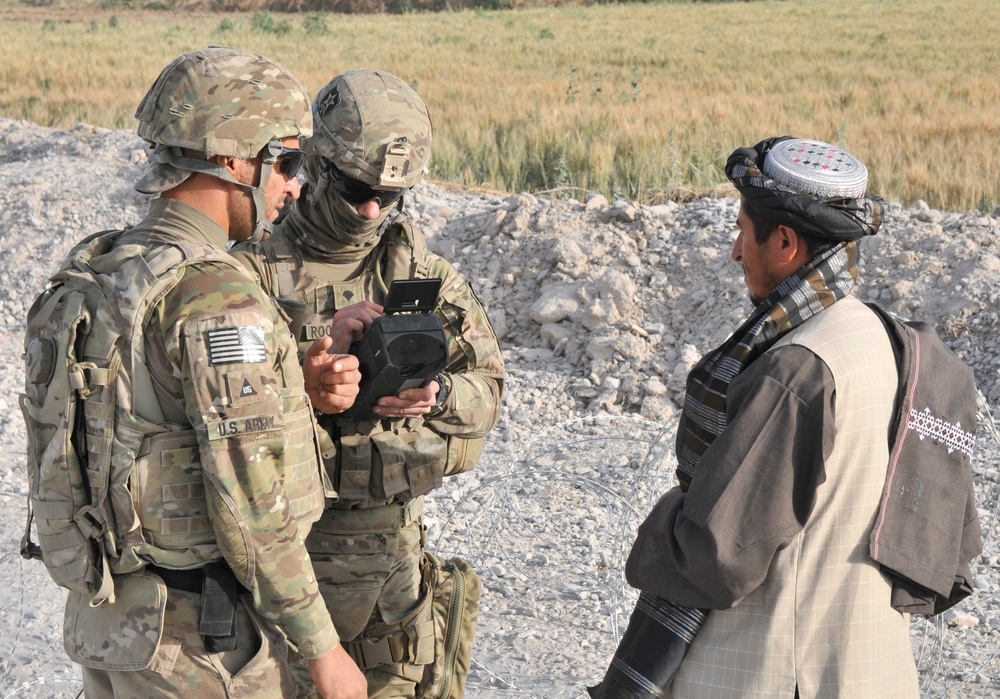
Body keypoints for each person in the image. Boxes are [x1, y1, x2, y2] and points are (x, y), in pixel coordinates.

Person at [47, 47, 367, 698]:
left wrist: (293, 390)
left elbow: (145, 423)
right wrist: (324, 648)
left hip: (109, 627)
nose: (295, 185)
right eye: (286, 161)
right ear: (229, 159)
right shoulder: (215, 298)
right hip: (195, 646)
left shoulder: (102, 273)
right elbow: (249, 504)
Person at [231, 69, 505, 698]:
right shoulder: (247, 274)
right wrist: (305, 381)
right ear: (313, 165)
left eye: (392, 194)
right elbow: (212, 422)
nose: (374, 210)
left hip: (392, 582)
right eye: (357, 188)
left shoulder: (422, 274)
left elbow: (487, 394)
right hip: (281, 573)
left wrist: (436, 395)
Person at [620, 137, 926, 697]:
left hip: (777, 672)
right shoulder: (881, 334)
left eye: (743, 230)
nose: (737, 251)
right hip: (870, 670)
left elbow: (715, 553)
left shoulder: (792, 371)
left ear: (784, 241)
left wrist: (663, 525)